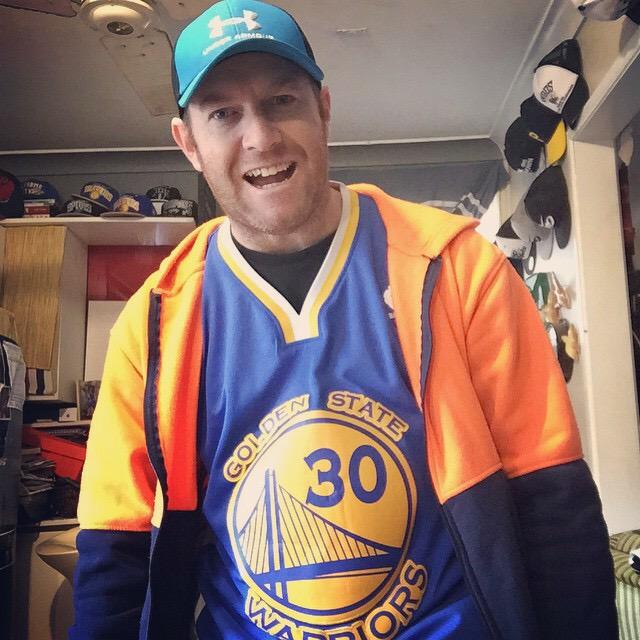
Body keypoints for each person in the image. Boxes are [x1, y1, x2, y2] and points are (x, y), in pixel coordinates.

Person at [70, 1, 617, 639]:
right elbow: (115, 550)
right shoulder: (155, 322)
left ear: (323, 108)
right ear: (187, 143)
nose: (261, 138)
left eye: (281, 101)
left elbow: (553, 506)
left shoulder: (458, 268)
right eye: (223, 113)